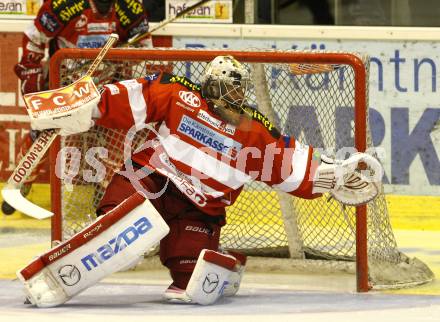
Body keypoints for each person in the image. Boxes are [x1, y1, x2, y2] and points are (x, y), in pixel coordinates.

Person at [18, 55, 381, 307]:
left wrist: (328, 175)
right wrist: (86, 107)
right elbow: (133, 97)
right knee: (122, 213)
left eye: (238, 88)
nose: (235, 94)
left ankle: (222, 265)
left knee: (187, 278)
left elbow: (286, 162)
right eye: (229, 86)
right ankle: (107, 232)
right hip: (152, 181)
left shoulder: (252, 129)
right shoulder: (179, 94)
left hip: (198, 211)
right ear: (213, 84)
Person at [2, 0, 151, 215]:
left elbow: (145, 47)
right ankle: (23, 180)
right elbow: (34, 37)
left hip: (106, 84)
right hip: (65, 84)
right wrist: (31, 71)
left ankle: (106, 193)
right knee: (43, 134)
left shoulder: (130, 8)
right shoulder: (63, 5)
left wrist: (128, 67)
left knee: (117, 136)